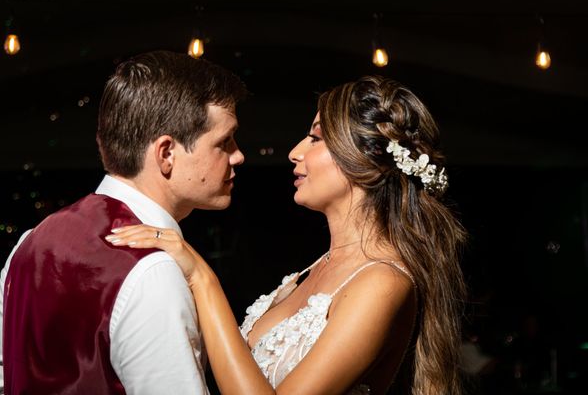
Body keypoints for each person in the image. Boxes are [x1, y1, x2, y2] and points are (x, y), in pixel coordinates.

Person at [108, 75, 467, 394]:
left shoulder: (383, 281)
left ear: (363, 160)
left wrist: (203, 278)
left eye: (315, 138)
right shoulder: (312, 270)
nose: (295, 152)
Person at [0, 50, 247, 394]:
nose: (239, 155)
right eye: (224, 141)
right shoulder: (151, 270)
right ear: (166, 154)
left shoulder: (30, 242)